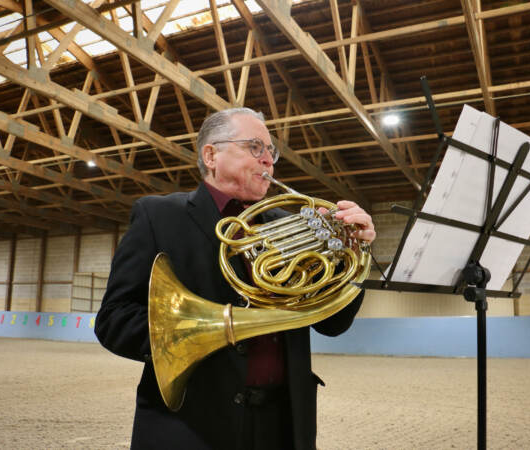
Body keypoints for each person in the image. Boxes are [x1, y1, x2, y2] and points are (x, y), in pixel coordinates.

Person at [95, 107, 376, 450]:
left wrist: (354, 250)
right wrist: (183, 336)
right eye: (255, 147)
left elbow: (333, 324)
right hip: (192, 424)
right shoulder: (158, 215)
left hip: (284, 424)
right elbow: (114, 318)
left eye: (271, 153)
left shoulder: (291, 222)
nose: (268, 161)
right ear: (211, 155)